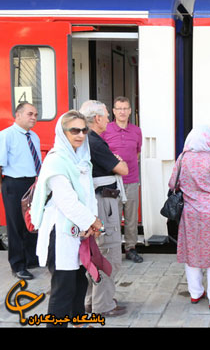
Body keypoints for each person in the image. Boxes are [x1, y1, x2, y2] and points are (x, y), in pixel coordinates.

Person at [31, 110, 103, 327]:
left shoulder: (81, 157)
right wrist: (93, 222)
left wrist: (92, 222)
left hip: (80, 232)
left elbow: (88, 194)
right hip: (61, 233)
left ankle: (78, 323)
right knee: (63, 288)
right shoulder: (56, 161)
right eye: (74, 130)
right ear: (63, 133)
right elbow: (67, 202)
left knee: (79, 283)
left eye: (84, 130)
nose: (80, 135)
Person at [169, 125, 210, 310]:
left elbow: (172, 184)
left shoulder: (183, 158)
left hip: (191, 215)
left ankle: (195, 293)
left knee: (193, 253)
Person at [80, 100, 128, 317]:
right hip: (104, 203)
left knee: (94, 252)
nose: (109, 118)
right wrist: (119, 162)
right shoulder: (96, 142)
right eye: (107, 115)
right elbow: (123, 168)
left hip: (95, 202)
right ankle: (104, 305)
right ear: (97, 118)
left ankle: (92, 301)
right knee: (109, 253)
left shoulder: (84, 140)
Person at [0, 102, 41, 280]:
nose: (34, 118)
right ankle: (17, 264)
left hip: (32, 183)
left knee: (32, 222)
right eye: (30, 114)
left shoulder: (35, 137)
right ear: (18, 115)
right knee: (16, 224)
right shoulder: (6, 135)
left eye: (36, 114)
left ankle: (31, 258)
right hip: (14, 184)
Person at [102, 96, 143, 263]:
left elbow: (137, 153)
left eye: (125, 108)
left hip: (132, 180)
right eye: (119, 108)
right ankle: (114, 250)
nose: (122, 112)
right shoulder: (106, 129)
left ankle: (131, 248)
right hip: (112, 181)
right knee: (114, 218)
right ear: (113, 111)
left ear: (130, 111)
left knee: (132, 218)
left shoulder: (136, 131)